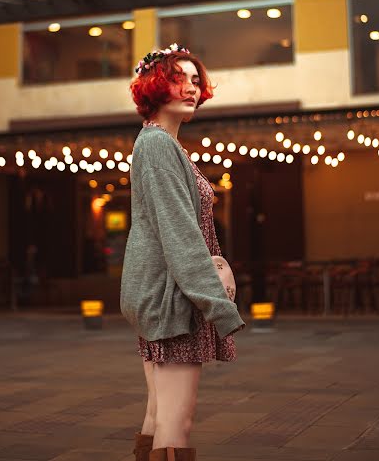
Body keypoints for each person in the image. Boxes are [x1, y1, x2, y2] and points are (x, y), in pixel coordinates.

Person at [120, 44, 246, 461]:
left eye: (196, 80)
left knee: (159, 418)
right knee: (177, 425)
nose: (191, 88)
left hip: (166, 296)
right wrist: (218, 305)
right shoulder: (157, 146)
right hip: (174, 300)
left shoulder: (162, 145)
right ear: (155, 86)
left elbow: (176, 231)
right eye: (179, 79)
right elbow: (179, 234)